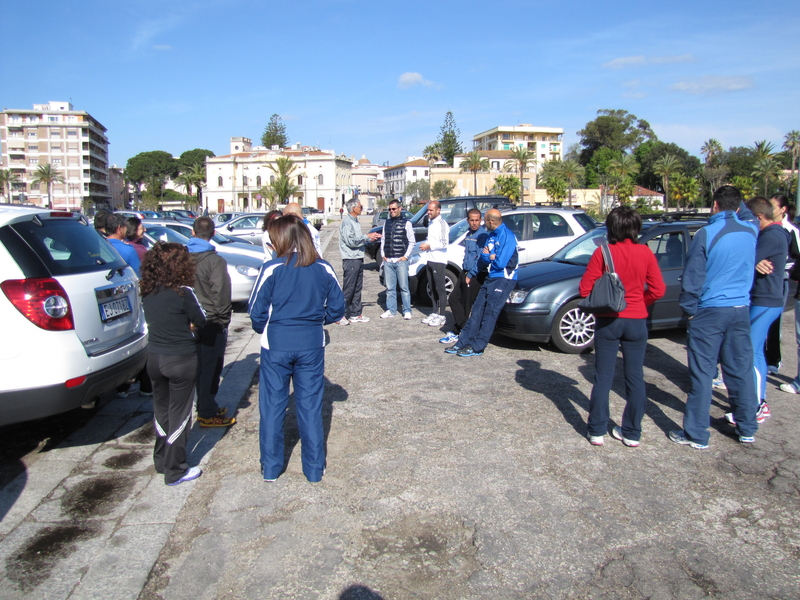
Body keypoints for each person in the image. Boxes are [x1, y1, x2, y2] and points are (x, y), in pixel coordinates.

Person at [249, 214, 345, 482]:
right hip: (311, 344)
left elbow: (256, 314)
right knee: (311, 407)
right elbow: (338, 308)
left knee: (272, 407)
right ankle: (314, 469)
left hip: (276, 345)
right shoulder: (323, 268)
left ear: (280, 239)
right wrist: (316, 319)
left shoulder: (272, 268)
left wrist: (269, 327)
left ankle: (270, 468)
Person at [671, 185, 759, 449]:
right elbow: (750, 216)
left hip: (709, 311)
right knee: (740, 370)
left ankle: (697, 434)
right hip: (740, 310)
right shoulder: (751, 231)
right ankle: (747, 427)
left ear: (715, 205)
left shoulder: (707, 234)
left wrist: (690, 311)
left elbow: (693, 277)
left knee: (702, 374)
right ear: (739, 205)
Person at [578, 207, 665, 447]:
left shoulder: (602, 253)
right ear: (636, 228)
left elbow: (585, 290)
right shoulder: (646, 253)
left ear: (611, 227)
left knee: (603, 377)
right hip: (637, 321)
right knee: (635, 377)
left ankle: (596, 430)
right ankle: (632, 432)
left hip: (608, 320)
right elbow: (658, 289)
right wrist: (638, 304)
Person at [140, 242, 206, 486]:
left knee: (161, 411)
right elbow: (201, 319)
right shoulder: (184, 293)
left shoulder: (147, 290)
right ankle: (175, 470)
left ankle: (161, 459)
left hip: (155, 357)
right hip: (180, 358)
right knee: (180, 414)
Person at [721, 198, 788, 430]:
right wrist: (756, 261)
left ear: (759, 217)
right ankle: (757, 403)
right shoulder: (773, 235)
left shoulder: (772, 235)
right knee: (755, 351)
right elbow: (752, 258)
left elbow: (745, 258)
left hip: (766, 300)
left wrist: (754, 261)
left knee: (748, 352)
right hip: (764, 299)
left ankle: (755, 406)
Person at [445, 209, 517, 357]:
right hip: (492, 277)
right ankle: (463, 341)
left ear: (491, 221)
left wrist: (489, 256)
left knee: (490, 313)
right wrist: (487, 259)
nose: (482, 223)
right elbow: (483, 259)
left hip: (504, 279)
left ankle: (478, 346)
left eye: (484, 220)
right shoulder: (491, 236)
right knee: (476, 310)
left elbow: (501, 263)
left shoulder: (507, 236)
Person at [187, 216, 236, 428]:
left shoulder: (183, 258)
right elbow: (222, 294)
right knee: (211, 367)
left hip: (189, 322)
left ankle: (207, 404)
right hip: (211, 321)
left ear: (193, 233)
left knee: (199, 366)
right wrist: (223, 321)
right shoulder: (214, 261)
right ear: (213, 233)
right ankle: (206, 411)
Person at [439, 209, 489, 344]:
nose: (474, 223)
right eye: (472, 220)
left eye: (477, 220)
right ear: (468, 220)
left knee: (466, 304)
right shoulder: (469, 234)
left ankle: (460, 332)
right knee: (454, 299)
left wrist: (471, 274)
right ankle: (463, 328)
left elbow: (481, 258)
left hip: (475, 274)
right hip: (465, 272)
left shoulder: (482, 235)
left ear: (481, 220)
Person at [765, 194, 800, 374]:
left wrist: (777, 267)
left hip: (781, 280)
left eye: (772, 206)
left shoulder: (790, 230)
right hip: (763, 281)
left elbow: (796, 259)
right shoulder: (765, 227)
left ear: (782, 209)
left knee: (774, 321)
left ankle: (773, 360)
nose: (769, 208)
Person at [338, 198, 380, 325]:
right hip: (350, 259)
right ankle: (341, 314)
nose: (361, 209)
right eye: (360, 207)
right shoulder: (347, 223)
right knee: (349, 287)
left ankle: (355, 314)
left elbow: (357, 239)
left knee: (357, 287)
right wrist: (366, 237)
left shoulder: (355, 222)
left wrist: (369, 239)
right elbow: (351, 241)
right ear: (353, 208)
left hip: (357, 258)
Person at [379, 200, 415, 320]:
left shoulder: (407, 223)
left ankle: (407, 310)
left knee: (404, 287)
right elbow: (383, 239)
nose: (391, 211)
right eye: (390, 209)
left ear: (400, 209)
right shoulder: (387, 223)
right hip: (388, 260)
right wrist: (383, 254)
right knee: (390, 288)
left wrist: (406, 256)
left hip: (401, 261)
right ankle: (391, 310)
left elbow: (411, 241)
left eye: (394, 209)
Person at [419, 201, 450, 327]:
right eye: (428, 210)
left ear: (438, 210)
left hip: (439, 260)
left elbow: (444, 243)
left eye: (431, 210)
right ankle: (434, 313)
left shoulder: (442, 224)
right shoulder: (431, 223)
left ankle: (442, 315)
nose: (429, 212)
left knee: (440, 288)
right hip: (430, 259)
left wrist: (429, 246)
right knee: (432, 288)